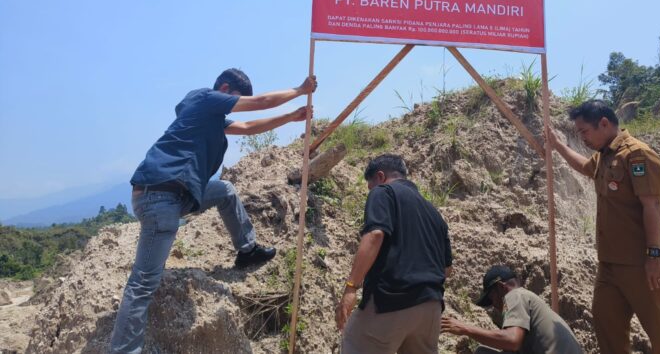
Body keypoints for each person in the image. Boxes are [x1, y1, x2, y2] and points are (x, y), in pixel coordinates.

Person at [109, 68, 316, 354]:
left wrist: (290, 118)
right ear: (225, 88)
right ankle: (123, 350)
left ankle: (247, 250)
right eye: (236, 100)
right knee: (143, 282)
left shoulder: (209, 116)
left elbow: (247, 128)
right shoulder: (206, 98)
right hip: (159, 196)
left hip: (176, 193)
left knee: (225, 190)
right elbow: (258, 103)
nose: (237, 105)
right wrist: (299, 89)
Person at [547, 100, 660, 354]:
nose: (583, 138)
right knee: (606, 325)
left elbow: (652, 206)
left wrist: (654, 256)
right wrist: (558, 146)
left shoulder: (637, 154)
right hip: (610, 264)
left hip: (642, 262)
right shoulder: (604, 156)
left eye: (584, 132)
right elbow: (585, 167)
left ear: (604, 123)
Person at [336, 154, 453, 354]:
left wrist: (351, 287)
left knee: (356, 344)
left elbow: (375, 234)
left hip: (392, 299)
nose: (370, 192)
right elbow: (447, 269)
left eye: (370, 186)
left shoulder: (383, 192)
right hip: (431, 308)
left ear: (380, 177)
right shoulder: (434, 214)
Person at [441, 265, 582, 354]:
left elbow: (512, 340)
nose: (494, 306)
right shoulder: (530, 299)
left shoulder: (515, 295)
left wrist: (465, 328)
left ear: (501, 287)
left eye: (491, 298)